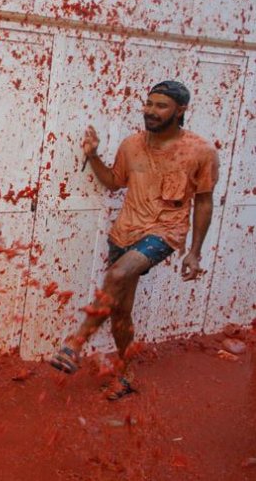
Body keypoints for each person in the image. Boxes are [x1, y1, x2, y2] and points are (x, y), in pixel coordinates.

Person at [49, 80, 219, 399]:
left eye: (161, 106)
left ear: (180, 110)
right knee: (120, 311)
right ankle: (126, 376)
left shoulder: (201, 151)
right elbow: (114, 182)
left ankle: (75, 344)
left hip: (165, 231)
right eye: (149, 104)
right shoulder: (131, 144)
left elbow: (205, 200)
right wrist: (94, 155)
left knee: (117, 274)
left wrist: (194, 252)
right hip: (125, 231)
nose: (151, 111)